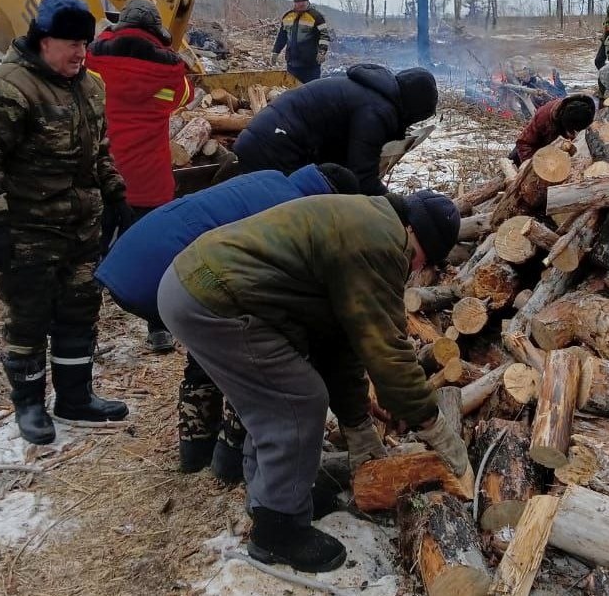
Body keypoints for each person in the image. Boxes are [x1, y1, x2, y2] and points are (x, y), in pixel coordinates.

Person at [157, 188, 469, 574]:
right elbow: (386, 348)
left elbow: (341, 346)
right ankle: (278, 531)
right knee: (297, 400)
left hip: (199, 285)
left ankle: (274, 497)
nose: (416, 269)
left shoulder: (367, 222)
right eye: (422, 259)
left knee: (275, 397)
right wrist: (434, 425)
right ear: (413, 233)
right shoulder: (382, 242)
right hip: (213, 297)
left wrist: (357, 426)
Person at [94, 162, 361, 475]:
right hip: (162, 273)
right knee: (245, 351)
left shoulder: (271, 177)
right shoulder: (294, 214)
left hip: (132, 257)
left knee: (210, 342)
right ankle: (231, 455)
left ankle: (196, 449)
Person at [0, 0, 130, 446]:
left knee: (80, 311)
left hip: (81, 228)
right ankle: (31, 406)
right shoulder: (9, 87)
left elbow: (99, 152)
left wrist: (117, 195)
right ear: (43, 41)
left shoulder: (90, 85)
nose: (81, 52)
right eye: (70, 43)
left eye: (84, 42)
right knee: (30, 317)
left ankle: (75, 397)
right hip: (30, 231)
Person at [85, 0, 193, 353]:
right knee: (155, 256)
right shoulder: (171, 71)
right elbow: (183, 98)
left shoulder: (94, 61)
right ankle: (159, 329)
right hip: (150, 181)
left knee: (90, 252)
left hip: (102, 174)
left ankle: (84, 332)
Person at [228, 63, 438, 195]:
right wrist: (398, 208)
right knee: (289, 214)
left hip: (267, 141)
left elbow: (342, 162)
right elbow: (361, 178)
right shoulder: (376, 112)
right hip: (272, 149)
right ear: (413, 108)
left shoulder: (373, 95)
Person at [509, 94, 597, 166]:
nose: (573, 135)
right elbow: (524, 143)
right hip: (534, 152)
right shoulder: (544, 118)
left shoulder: (586, 113)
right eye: (571, 131)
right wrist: (531, 165)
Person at [271, 0, 330, 83]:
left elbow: (324, 35)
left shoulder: (316, 17)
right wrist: (275, 52)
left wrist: (322, 51)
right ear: (294, 2)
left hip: (310, 65)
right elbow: (282, 37)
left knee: (311, 93)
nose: (301, 3)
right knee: (293, 92)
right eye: (298, 1)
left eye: (304, 1)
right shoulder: (287, 17)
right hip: (292, 64)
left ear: (308, 1)